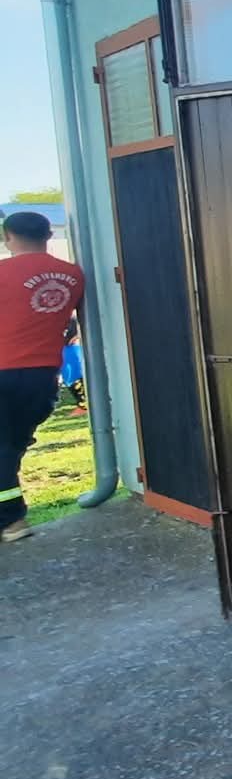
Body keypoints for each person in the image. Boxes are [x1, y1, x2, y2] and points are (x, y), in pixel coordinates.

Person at [1, 210, 86, 541]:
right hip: (43, 376)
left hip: (3, 370)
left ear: (8, 237)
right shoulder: (73, 275)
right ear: (49, 236)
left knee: (4, 448)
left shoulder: (3, 272)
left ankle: (11, 521)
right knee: (12, 446)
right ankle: (11, 518)